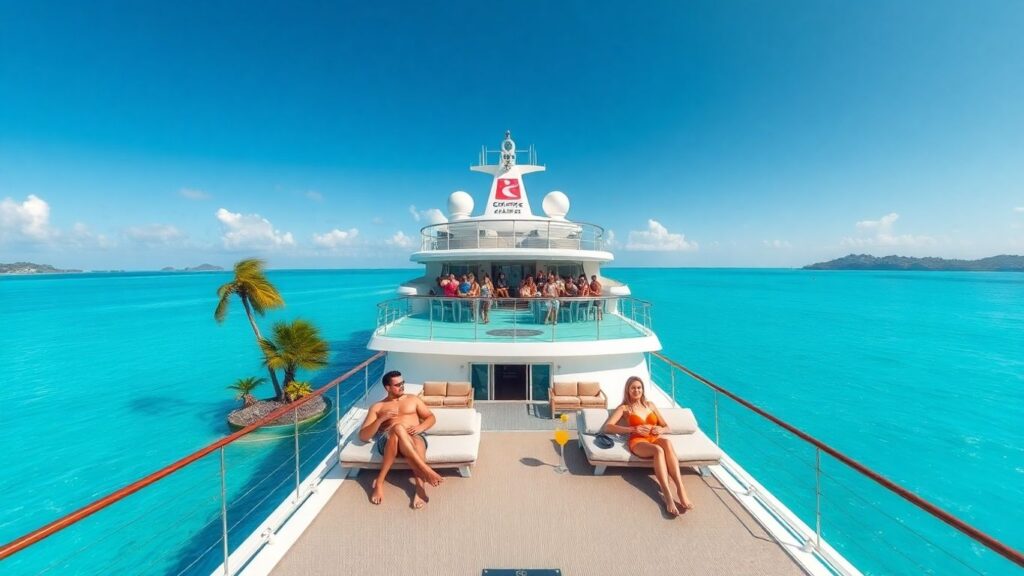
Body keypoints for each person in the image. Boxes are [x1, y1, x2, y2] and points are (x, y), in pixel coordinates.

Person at [603, 376, 693, 516]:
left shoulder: (650, 405)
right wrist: (632, 429)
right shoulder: (625, 408)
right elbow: (608, 427)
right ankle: (667, 495)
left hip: (654, 438)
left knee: (667, 443)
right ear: (628, 390)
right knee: (658, 450)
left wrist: (660, 429)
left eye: (639, 387)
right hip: (638, 441)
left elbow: (666, 426)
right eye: (633, 388)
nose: (636, 390)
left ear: (642, 389)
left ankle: (681, 489)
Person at [359, 371, 443, 508]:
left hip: (414, 436)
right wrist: (381, 419)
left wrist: (420, 427)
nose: (402, 386)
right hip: (389, 441)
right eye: (397, 385)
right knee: (397, 428)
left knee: (416, 442)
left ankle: (418, 486)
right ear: (387, 387)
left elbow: (431, 417)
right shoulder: (378, 407)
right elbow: (363, 435)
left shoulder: (413, 399)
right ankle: (425, 470)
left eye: (402, 383)